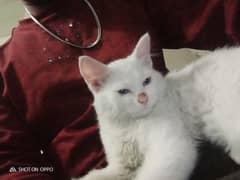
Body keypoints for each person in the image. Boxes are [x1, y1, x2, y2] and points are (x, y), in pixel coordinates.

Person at [0, 0, 239, 179]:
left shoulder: (123, 4)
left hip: (194, 144)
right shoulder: (4, 69)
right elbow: (13, 167)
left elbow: (218, 12)